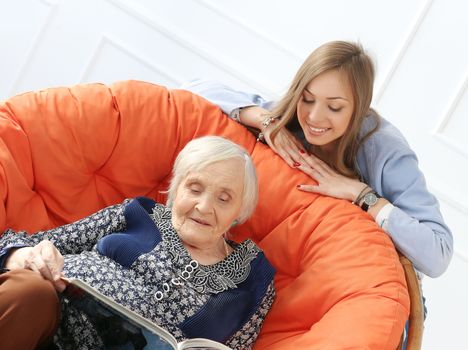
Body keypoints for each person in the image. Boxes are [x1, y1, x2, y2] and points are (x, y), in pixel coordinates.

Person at [182, 40, 453, 348]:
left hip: (368, 291)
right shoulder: (294, 119)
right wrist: (259, 116)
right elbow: (190, 89)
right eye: (307, 99)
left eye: (335, 107)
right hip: (288, 282)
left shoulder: (386, 150)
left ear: (359, 108)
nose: (314, 117)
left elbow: (438, 253)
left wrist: (361, 194)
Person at [0, 136, 275, 350]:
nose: (203, 207)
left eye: (223, 198)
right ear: (176, 187)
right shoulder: (136, 213)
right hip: (50, 318)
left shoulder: (252, 282)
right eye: (195, 188)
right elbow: (24, 243)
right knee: (29, 291)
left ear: (240, 210)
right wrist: (22, 255)